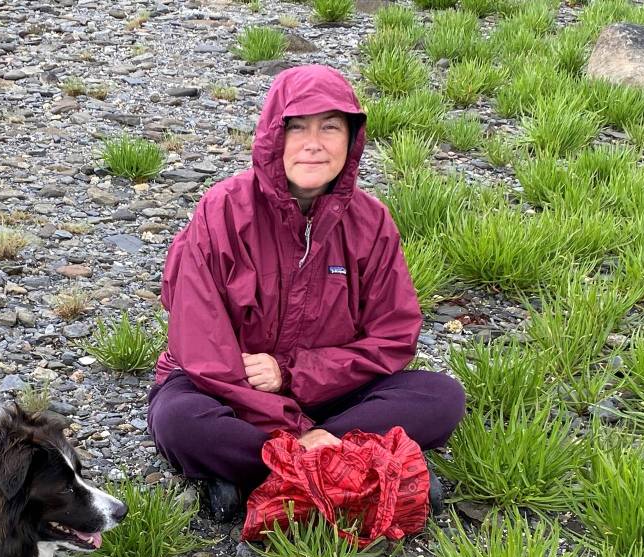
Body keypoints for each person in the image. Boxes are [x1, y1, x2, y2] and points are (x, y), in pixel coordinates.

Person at [147, 65, 466, 522]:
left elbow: (392, 337)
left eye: (330, 127)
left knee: (442, 398)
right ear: (273, 136)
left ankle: (262, 473)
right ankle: (362, 468)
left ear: (351, 139)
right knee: (181, 423)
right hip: (226, 388)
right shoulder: (221, 210)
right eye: (297, 127)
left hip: (327, 389)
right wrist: (293, 427)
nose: (313, 143)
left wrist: (293, 374)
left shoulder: (372, 222)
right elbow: (200, 345)